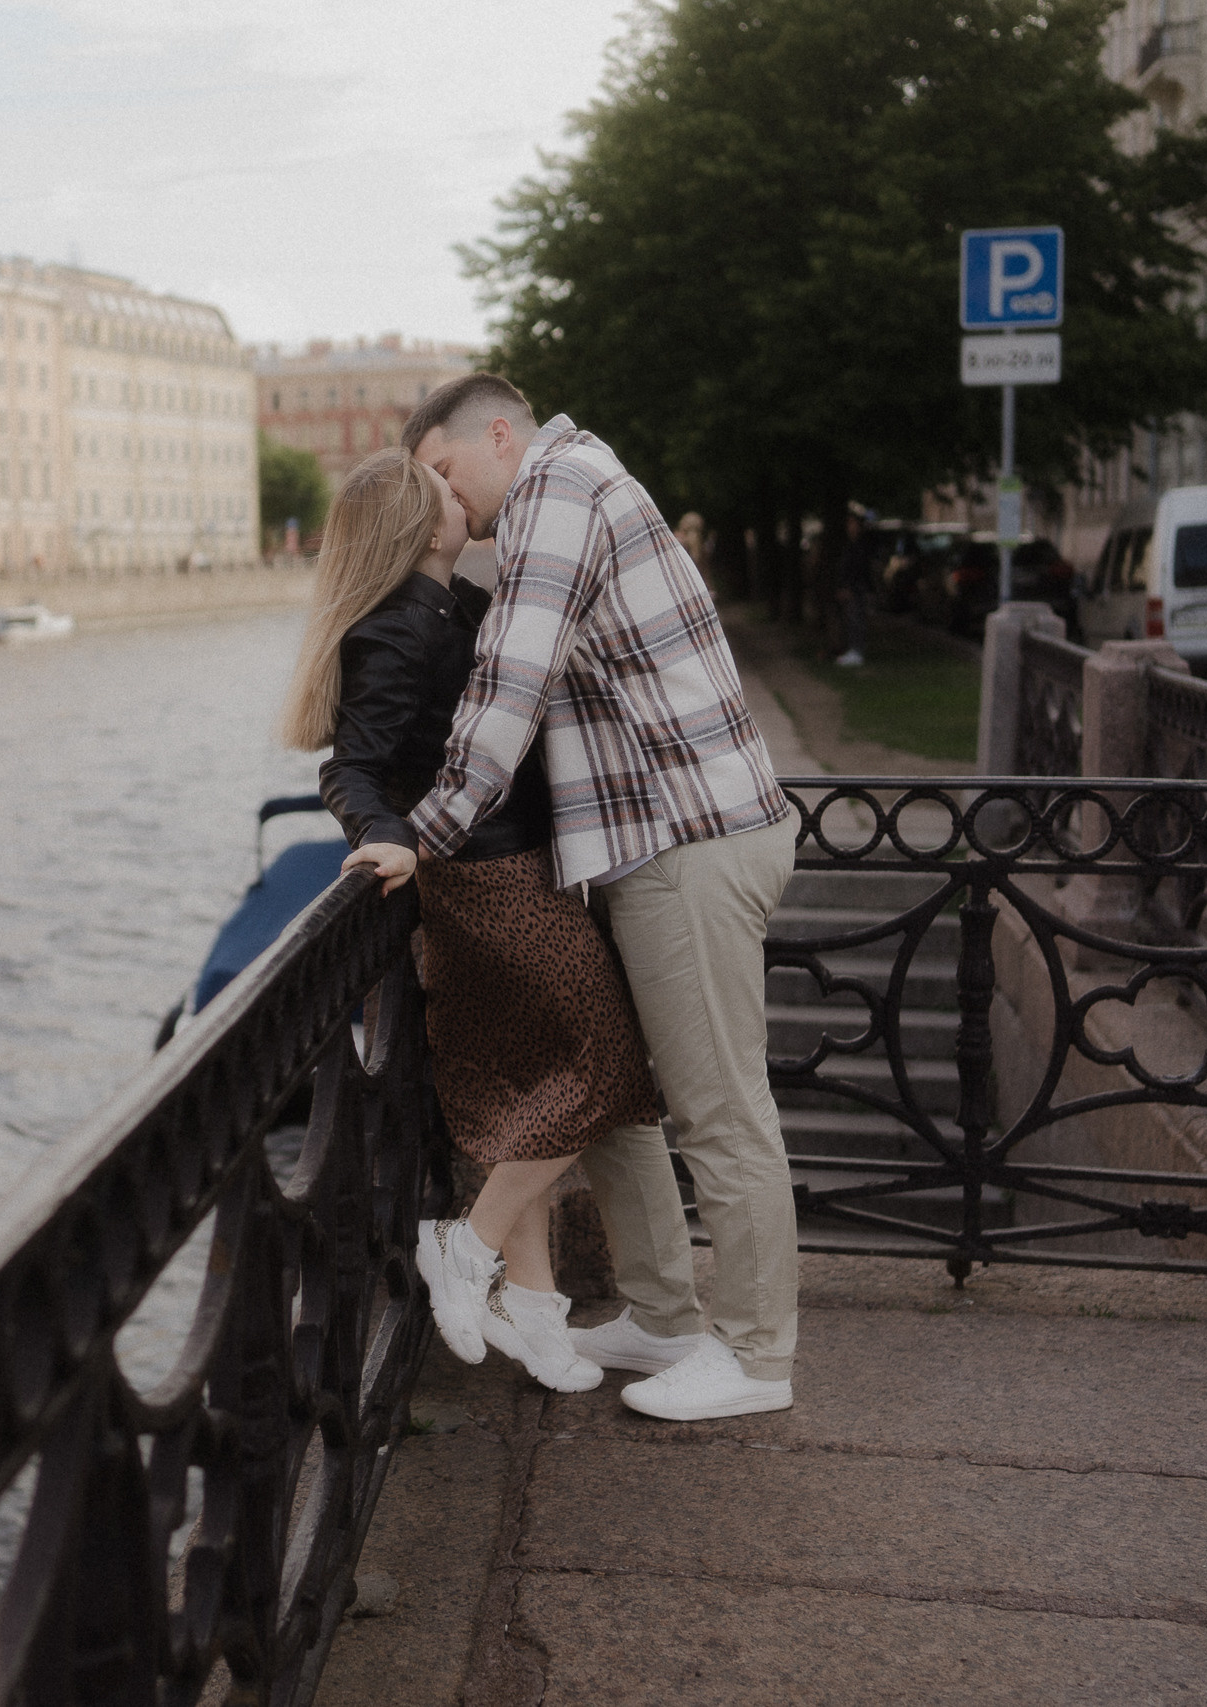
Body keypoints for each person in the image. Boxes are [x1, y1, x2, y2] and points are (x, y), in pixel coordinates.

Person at [355, 373, 802, 1422]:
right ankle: (661, 1315)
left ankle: (754, 1357)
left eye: (444, 471)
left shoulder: (560, 490)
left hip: (689, 840)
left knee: (718, 1108)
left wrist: (418, 838)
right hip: (646, 843)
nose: (446, 504)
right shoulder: (568, 488)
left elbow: (508, 686)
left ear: (497, 434)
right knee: (623, 1098)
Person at [281, 448, 662, 1394]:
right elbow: (350, 767)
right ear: (415, 522)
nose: (463, 495)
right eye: (443, 492)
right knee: (612, 1059)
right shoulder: (398, 628)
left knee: (525, 1085)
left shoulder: (454, 606)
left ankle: (534, 1313)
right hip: (487, 885)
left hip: (516, 868)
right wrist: (385, 836)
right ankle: (466, 1245)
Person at [834, 507, 876, 667]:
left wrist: (849, 587)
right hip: (853, 588)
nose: (849, 527)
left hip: (856, 589)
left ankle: (856, 652)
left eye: (852, 523)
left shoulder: (860, 546)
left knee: (856, 620)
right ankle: (853, 650)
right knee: (851, 620)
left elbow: (859, 569)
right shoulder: (852, 545)